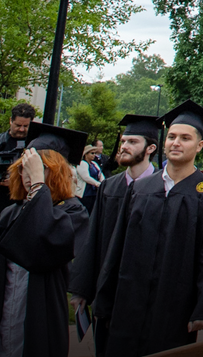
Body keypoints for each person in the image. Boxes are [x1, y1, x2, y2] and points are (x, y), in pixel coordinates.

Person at [99, 100, 203, 356]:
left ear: (199, 145)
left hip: (175, 305)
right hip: (129, 300)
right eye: (171, 136)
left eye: (185, 138)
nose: (175, 143)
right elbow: (117, 245)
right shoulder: (141, 188)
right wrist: (105, 296)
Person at [0, 122, 91, 357]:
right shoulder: (9, 213)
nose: (28, 175)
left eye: (39, 169)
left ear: (57, 173)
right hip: (2, 317)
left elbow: (42, 249)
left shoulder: (72, 212)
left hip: (38, 320)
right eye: (24, 168)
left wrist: (37, 186)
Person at [69, 113, 160, 356]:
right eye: (123, 141)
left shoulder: (164, 188)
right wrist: (82, 289)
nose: (124, 147)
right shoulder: (110, 187)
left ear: (151, 148)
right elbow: (93, 237)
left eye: (132, 142)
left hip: (144, 293)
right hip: (108, 289)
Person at [0, 101, 38, 240]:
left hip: (21, 209)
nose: (21, 130)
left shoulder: (34, 146)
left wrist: (17, 182)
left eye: (25, 126)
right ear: (10, 121)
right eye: (18, 125)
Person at [77, 141, 105, 215]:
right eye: (92, 153)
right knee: (85, 212)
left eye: (95, 153)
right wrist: (97, 183)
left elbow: (100, 174)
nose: (94, 155)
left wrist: (103, 183)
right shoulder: (82, 163)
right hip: (85, 192)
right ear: (86, 154)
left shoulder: (94, 164)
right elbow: (86, 177)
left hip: (94, 192)